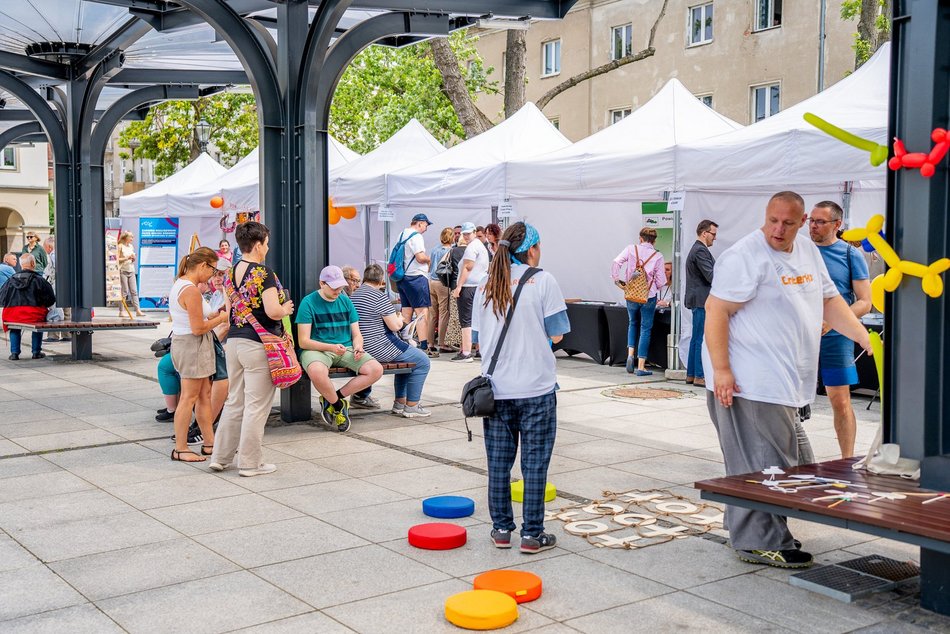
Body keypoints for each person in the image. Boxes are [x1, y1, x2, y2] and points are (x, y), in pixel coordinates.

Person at [704, 191, 872, 569]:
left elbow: (830, 301)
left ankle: (748, 526)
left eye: (789, 223)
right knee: (764, 463)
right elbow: (716, 310)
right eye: (772, 220)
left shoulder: (807, 252)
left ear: (802, 224)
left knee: (792, 462)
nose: (778, 230)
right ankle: (759, 541)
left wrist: (861, 334)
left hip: (786, 381)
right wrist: (722, 371)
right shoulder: (744, 256)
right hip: (751, 379)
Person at [473, 222, 571, 554]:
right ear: (531, 249)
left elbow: (477, 339)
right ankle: (532, 534)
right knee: (534, 464)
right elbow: (558, 334)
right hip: (537, 388)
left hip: (496, 390)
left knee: (498, 464)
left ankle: (501, 530)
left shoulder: (487, 283)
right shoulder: (544, 280)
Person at [211, 221, 294, 477]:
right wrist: (286, 309)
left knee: (235, 401)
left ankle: (220, 457)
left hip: (234, 342)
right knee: (257, 405)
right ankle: (249, 463)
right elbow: (272, 311)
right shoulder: (264, 273)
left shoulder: (229, 273)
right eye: (266, 243)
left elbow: (228, 312)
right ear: (257, 244)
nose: (267, 248)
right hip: (259, 344)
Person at [809, 201, 871, 458]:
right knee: (787, 400)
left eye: (820, 222)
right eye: (811, 220)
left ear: (837, 224)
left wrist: (831, 322)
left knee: (840, 400)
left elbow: (865, 302)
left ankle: (847, 460)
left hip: (836, 339)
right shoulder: (799, 251)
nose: (813, 226)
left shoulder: (850, 254)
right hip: (798, 338)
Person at [297, 265, 384, 432]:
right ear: (322, 283)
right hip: (317, 349)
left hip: (345, 347)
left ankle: (334, 398)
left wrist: (358, 346)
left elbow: (357, 334)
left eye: (341, 286)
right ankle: (338, 406)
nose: (339, 290)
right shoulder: (308, 303)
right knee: (316, 371)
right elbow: (304, 341)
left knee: (375, 370)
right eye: (335, 287)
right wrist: (330, 347)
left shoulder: (346, 301)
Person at [168, 247, 228, 462]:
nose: (213, 276)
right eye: (212, 271)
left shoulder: (183, 284)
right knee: (189, 397)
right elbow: (198, 328)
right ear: (203, 266)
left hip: (191, 345)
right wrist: (222, 319)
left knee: (203, 396)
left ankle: (210, 443)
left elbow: (205, 315)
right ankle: (181, 448)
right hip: (191, 345)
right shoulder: (190, 290)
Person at [352, 263, 432, 417]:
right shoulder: (379, 296)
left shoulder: (354, 296)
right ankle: (412, 406)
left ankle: (400, 403)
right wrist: (400, 318)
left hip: (361, 346)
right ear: (381, 280)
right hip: (379, 346)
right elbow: (395, 326)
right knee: (422, 360)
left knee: (407, 362)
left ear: (365, 277)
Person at [156, 268, 230, 429]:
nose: (217, 278)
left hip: (205, 345)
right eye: (215, 274)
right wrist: (219, 319)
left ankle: (201, 432)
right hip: (197, 344)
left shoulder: (216, 294)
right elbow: (204, 325)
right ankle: (192, 431)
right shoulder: (200, 292)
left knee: (200, 392)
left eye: (222, 275)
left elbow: (220, 325)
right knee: (193, 393)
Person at [611, 227, 667, 376]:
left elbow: (616, 262)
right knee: (645, 328)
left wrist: (617, 280)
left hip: (631, 294)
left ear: (640, 238)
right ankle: (641, 366)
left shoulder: (631, 249)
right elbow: (661, 281)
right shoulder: (658, 256)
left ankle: (630, 354)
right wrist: (654, 284)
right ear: (654, 241)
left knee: (632, 323)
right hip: (648, 296)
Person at [0, 254, 56, 360]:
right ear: (33, 264)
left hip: (13, 315)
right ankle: (36, 352)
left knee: (14, 328)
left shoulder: (10, 280)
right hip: (34, 314)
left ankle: (14, 353)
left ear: (21, 265)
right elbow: (50, 300)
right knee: (38, 326)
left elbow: (2, 298)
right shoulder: (40, 280)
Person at [684, 219, 718, 387]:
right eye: (713, 234)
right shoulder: (700, 251)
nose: (715, 238)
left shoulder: (698, 250)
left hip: (698, 299)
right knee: (700, 339)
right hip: (701, 300)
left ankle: (691, 374)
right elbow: (711, 276)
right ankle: (699, 375)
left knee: (696, 338)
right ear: (704, 233)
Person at [342, 265, 380, 410]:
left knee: (368, 349)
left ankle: (360, 395)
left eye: (359, 281)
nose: (358, 285)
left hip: (351, 342)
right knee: (372, 350)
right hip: (343, 345)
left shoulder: (349, 297)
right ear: (345, 280)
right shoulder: (344, 298)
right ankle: (357, 396)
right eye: (355, 281)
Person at [452, 222, 491, 363]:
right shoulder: (480, 246)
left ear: (474, 232)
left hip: (469, 287)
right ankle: (478, 349)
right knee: (478, 319)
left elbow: (467, 267)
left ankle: (466, 352)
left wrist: (459, 287)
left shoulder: (472, 247)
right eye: (465, 233)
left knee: (466, 320)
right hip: (479, 286)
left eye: (468, 233)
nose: (466, 236)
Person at [394, 214, 433, 352]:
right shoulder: (416, 236)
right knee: (422, 313)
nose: (426, 229)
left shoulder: (402, 234)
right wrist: (430, 260)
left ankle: (403, 342)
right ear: (420, 223)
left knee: (406, 313)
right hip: (417, 278)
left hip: (403, 278)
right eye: (426, 225)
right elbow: (420, 257)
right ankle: (424, 346)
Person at [427, 227, 454, 357]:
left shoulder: (434, 249)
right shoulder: (451, 250)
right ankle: (442, 343)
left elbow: (430, 265)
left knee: (432, 314)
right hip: (443, 283)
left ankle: (430, 343)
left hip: (431, 282)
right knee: (444, 313)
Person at [117, 231, 146, 317]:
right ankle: (121, 311)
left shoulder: (131, 246)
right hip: (122, 271)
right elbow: (117, 259)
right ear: (126, 237)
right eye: (131, 237)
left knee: (134, 291)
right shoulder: (120, 246)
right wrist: (127, 258)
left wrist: (133, 258)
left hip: (131, 270)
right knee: (124, 291)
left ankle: (138, 310)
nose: (132, 239)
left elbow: (132, 257)